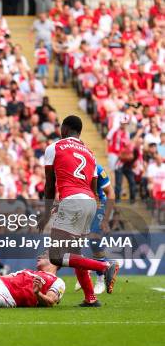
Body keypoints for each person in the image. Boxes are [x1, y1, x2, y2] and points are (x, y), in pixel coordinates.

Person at [42, 115, 119, 307]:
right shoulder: (90, 153)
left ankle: (105, 266)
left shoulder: (55, 147)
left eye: (61, 128)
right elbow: (93, 189)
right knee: (75, 253)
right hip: (90, 203)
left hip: (72, 200)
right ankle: (90, 298)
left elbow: (50, 184)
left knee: (56, 256)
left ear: (65, 129)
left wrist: (47, 211)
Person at [75, 164, 115, 295]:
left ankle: (100, 278)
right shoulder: (72, 168)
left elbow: (111, 193)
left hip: (99, 206)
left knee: (94, 240)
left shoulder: (97, 169)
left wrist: (106, 219)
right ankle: (85, 272)